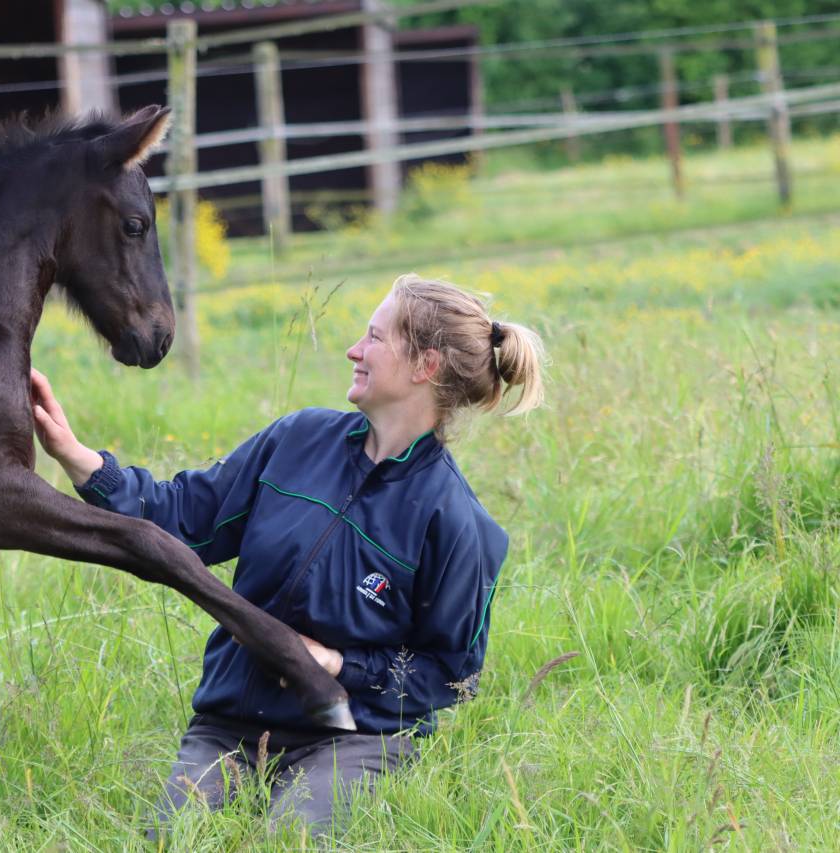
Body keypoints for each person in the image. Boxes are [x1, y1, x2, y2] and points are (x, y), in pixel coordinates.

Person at [30, 274, 545, 836]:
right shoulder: (297, 440)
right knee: (170, 840)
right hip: (230, 727)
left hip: (357, 740)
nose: (354, 349)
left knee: (289, 839)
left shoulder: (457, 522)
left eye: (374, 337)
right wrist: (81, 460)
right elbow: (186, 519)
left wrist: (339, 666)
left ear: (425, 366)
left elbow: (451, 676)